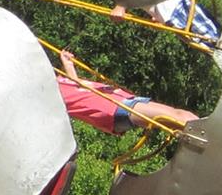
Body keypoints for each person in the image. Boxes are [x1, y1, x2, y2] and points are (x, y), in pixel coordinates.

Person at [56, 49, 198, 136]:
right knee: (178, 117)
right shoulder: (49, 92)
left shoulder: (60, 80)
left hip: (121, 100)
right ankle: (215, 137)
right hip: (113, 108)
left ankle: (212, 137)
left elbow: (76, 86)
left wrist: (68, 65)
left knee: (178, 116)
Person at [110, 0, 222, 42]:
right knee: (211, 46)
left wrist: (121, 5)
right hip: (172, 16)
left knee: (216, 42)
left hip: (178, 10)